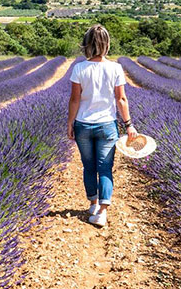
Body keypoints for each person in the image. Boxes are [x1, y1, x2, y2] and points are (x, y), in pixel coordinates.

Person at [67, 24, 138, 227]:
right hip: (107, 125)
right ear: (107, 44)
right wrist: (129, 125)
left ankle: (93, 204)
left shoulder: (79, 68)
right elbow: (121, 99)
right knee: (105, 168)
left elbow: (74, 99)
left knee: (88, 166)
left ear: (87, 44)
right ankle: (102, 212)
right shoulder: (115, 68)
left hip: (83, 124)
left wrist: (70, 123)